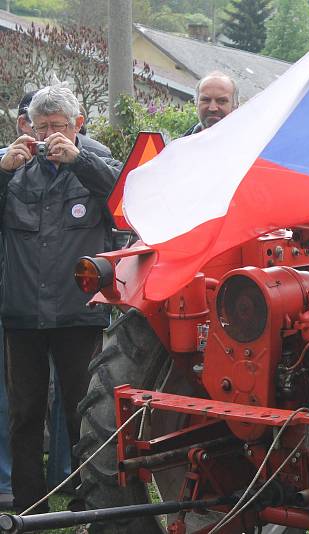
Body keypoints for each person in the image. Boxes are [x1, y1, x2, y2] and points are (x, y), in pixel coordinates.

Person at [0, 84, 121, 513]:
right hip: (22, 314)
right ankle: (31, 507)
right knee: (25, 414)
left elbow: (126, 201)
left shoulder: (97, 164)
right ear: (27, 126)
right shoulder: (15, 169)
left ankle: (91, 504)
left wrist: (81, 160)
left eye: (60, 126)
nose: (50, 134)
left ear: (78, 126)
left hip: (78, 313)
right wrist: (3, 171)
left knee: (82, 413)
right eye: (42, 126)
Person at [183, 72, 239, 136]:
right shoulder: (180, 144)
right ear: (196, 103)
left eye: (221, 101)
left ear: (235, 106)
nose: (212, 108)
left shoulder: (248, 144)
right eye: (206, 100)